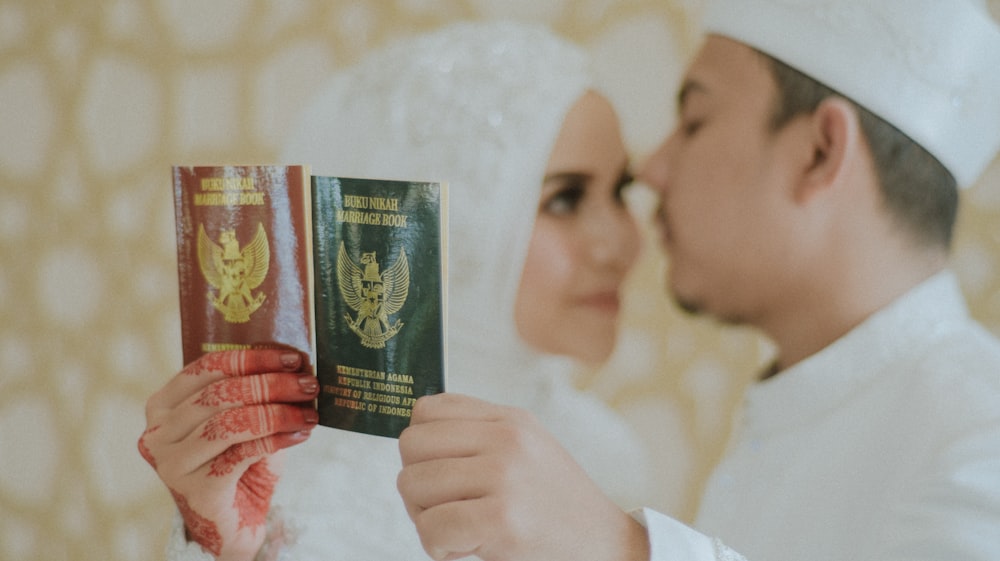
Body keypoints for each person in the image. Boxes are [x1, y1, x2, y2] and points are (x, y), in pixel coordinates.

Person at [395, 1, 1000, 560]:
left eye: (695, 119)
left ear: (820, 150)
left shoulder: (979, 439)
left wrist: (615, 545)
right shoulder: (798, 407)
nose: (654, 170)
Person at [140, 21, 659, 561]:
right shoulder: (294, 500)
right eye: (565, 199)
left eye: (621, 189)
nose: (621, 242)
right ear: (434, 228)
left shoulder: (606, 448)